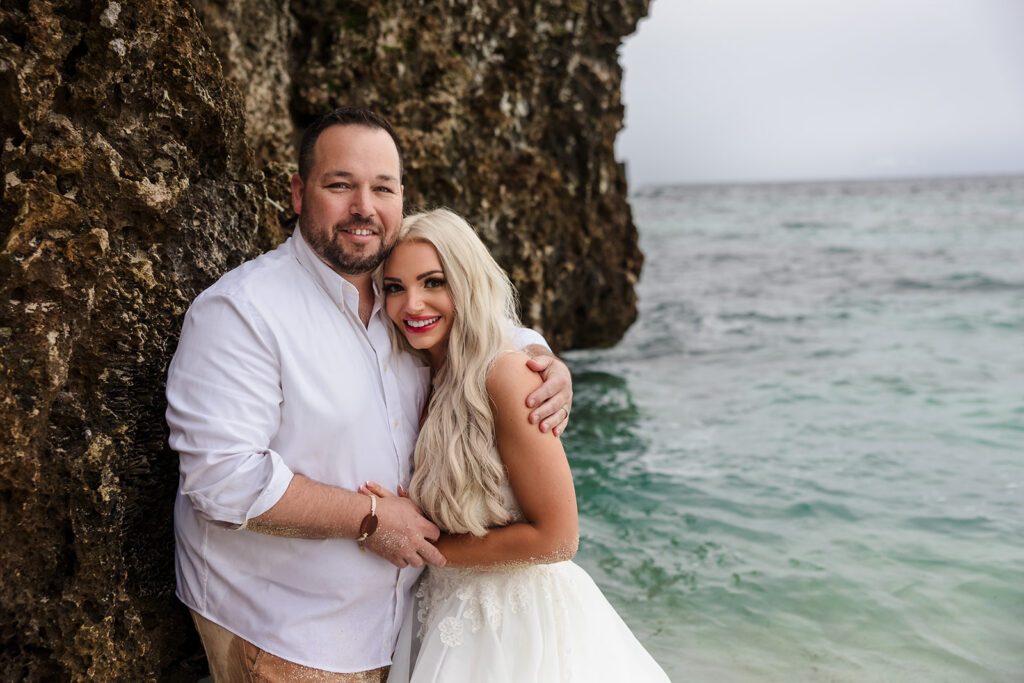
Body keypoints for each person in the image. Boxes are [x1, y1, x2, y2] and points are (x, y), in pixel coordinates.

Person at [165, 107, 573, 682]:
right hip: (288, 638)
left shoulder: (401, 307)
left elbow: (479, 330)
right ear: (298, 193)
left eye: (382, 187)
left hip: (410, 632)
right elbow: (222, 480)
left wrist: (546, 361)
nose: (364, 207)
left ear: (401, 199)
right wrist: (371, 517)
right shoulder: (242, 312)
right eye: (340, 185)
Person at [366, 208, 668, 682]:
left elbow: (558, 537)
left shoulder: (508, 375)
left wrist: (425, 545)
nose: (413, 306)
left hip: (516, 629)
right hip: (442, 614)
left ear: (466, 283)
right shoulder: (427, 374)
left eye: (433, 282)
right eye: (395, 287)